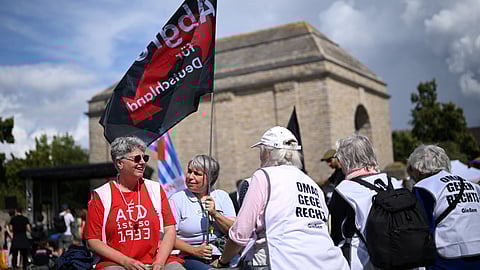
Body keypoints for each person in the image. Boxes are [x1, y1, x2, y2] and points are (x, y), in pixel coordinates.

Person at [211, 126, 348, 269]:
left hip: (281, 260)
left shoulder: (263, 176)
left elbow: (240, 233)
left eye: (261, 151)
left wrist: (222, 261)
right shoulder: (311, 183)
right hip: (326, 261)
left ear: (268, 152)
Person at [87, 136, 180, 270]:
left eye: (144, 158)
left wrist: (160, 261)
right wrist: (125, 261)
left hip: (157, 259)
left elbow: (169, 229)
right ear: (120, 163)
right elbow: (93, 240)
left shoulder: (155, 189)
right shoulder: (101, 195)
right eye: (137, 158)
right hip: (116, 263)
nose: (142, 162)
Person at [329, 134, 402, 269]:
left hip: (364, 262)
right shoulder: (394, 183)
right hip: (401, 256)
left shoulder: (344, 190)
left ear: (345, 160)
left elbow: (335, 234)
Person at [407, 144, 480, 269]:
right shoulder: (473, 186)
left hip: (446, 258)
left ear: (418, 169)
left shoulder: (424, 187)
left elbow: (421, 231)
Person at [169, 154, 236, 270]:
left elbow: (234, 231)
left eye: (197, 174)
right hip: (189, 255)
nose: (190, 177)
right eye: (189, 172)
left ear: (210, 177)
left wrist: (215, 214)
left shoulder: (222, 196)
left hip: (223, 253)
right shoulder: (176, 199)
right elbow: (169, 237)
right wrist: (195, 251)